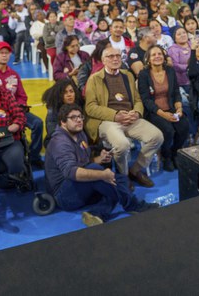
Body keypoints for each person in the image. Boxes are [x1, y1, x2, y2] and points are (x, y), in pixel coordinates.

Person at [45, 104, 158, 227]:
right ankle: (133, 205)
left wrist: (100, 159)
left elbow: (84, 162)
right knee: (102, 176)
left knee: (121, 180)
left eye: (80, 116)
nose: (79, 120)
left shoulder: (79, 134)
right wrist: (102, 174)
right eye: (73, 117)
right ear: (63, 122)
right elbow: (72, 172)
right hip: (65, 196)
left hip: (80, 189)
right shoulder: (60, 142)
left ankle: (97, 213)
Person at [84, 46, 163, 187]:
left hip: (130, 118)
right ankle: (123, 175)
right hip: (108, 121)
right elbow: (90, 107)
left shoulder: (128, 75)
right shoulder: (94, 79)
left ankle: (135, 170)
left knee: (157, 136)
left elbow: (138, 100)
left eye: (118, 56)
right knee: (122, 145)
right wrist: (115, 115)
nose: (115, 59)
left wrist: (136, 112)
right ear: (103, 60)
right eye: (111, 56)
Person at [0, 42, 45, 169]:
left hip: (15, 110)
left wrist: (20, 106)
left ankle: (34, 156)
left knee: (37, 123)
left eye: (6, 53)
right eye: (1, 53)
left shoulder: (13, 74)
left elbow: (22, 95)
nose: (4, 56)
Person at [137, 46, 188, 172]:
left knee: (184, 126)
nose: (157, 56)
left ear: (164, 57)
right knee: (168, 130)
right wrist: (163, 115)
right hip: (154, 111)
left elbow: (176, 91)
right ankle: (166, 156)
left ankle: (175, 152)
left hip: (171, 107)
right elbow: (146, 100)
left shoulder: (170, 71)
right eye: (153, 54)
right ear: (148, 59)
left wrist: (179, 108)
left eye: (159, 54)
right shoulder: (143, 74)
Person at [42, 78, 84, 148]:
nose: (69, 95)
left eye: (71, 91)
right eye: (65, 92)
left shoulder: (78, 105)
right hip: (59, 140)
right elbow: (52, 132)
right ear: (60, 95)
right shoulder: (53, 110)